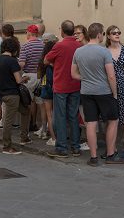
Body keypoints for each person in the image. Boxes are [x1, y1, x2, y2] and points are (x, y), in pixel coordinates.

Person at [72, 22, 124, 166]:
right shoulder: (104, 52)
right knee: (113, 121)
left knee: (90, 123)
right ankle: (110, 155)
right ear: (99, 34)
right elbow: (111, 75)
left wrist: (87, 78)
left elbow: (73, 74)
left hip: (86, 91)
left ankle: (94, 157)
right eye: (102, 33)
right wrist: (114, 93)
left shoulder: (79, 52)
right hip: (104, 91)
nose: (103, 36)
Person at [45, 20, 82, 158]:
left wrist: (56, 64)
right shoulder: (79, 45)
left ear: (62, 31)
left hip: (61, 85)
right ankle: (76, 147)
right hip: (75, 84)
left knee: (60, 116)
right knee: (73, 116)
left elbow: (45, 60)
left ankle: (61, 147)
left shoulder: (59, 46)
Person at [105, 25, 124, 160]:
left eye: (119, 32)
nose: (117, 34)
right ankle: (112, 148)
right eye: (114, 33)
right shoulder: (105, 52)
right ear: (108, 36)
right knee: (112, 118)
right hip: (109, 87)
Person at [0, 37, 29, 154]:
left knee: (25, 111)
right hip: (13, 94)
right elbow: (18, 80)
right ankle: (7, 146)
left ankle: (24, 137)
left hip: (3, 93)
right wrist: (25, 78)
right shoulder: (12, 61)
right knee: (8, 121)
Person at [19, 25, 44, 133]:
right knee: (41, 104)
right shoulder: (43, 45)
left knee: (27, 102)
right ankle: (43, 127)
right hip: (41, 76)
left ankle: (28, 125)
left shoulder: (25, 46)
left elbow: (22, 64)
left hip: (29, 76)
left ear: (29, 33)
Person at [38, 35, 58, 145]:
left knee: (49, 114)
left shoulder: (43, 61)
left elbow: (39, 76)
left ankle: (53, 138)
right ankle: (57, 136)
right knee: (57, 114)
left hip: (46, 87)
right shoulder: (55, 61)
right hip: (56, 87)